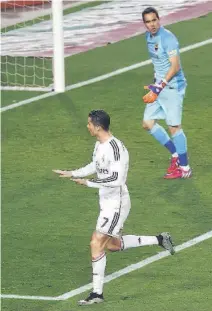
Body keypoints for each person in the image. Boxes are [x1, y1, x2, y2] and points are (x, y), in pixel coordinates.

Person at [53, 110, 175, 305]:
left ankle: (96, 294)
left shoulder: (116, 149)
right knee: (112, 245)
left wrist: (88, 183)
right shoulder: (99, 145)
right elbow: (96, 165)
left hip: (116, 203)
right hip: (106, 202)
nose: (87, 126)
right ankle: (160, 239)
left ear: (98, 127)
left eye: (89, 124)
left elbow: (116, 179)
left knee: (96, 242)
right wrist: (73, 173)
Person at [142, 7, 192, 179]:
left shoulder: (168, 38)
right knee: (147, 123)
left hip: (172, 87)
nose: (152, 24)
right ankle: (175, 155)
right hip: (158, 87)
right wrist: (155, 82)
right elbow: (158, 63)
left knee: (174, 127)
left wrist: (160, 85)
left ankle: (185, 168)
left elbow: (175, 66)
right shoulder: (148, 37)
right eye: (148, 22)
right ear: (145, 24)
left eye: (154, 20)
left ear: (159, 19)